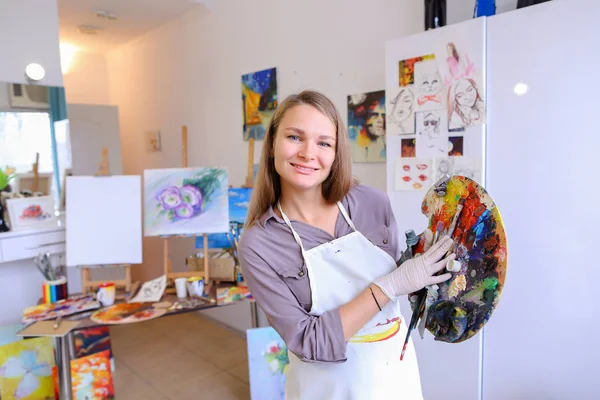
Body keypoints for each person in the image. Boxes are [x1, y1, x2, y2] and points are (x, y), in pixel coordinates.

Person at [238, 90, 455, 399]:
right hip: (327, 386)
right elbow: (309, 341)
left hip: (393, 374)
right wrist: (390, 285)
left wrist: (429, 269)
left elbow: (406, 284)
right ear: (272, 142)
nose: (308, 153)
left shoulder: (371, 203)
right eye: (295, 137)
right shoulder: (259, 244)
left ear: (337, 152)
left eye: (324, 143)